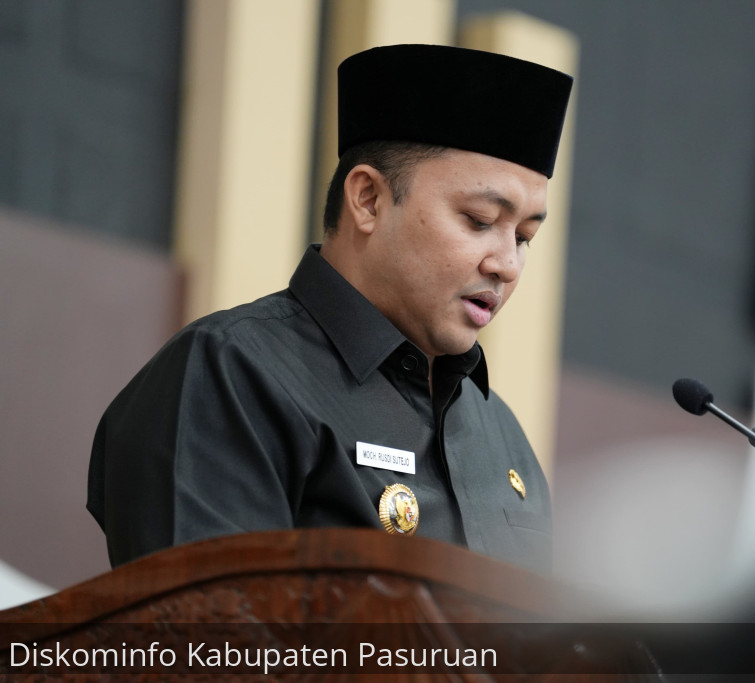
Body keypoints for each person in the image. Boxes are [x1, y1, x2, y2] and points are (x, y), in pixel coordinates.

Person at [86, 44, 573, 575]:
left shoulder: (497, 428)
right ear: (367, 199)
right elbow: (207, 641)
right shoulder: (233, 373)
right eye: (479, 220)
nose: (506, 264)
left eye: (525, 237)